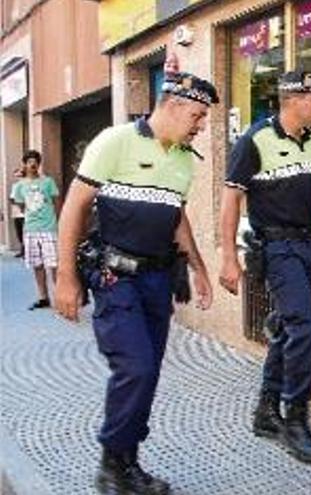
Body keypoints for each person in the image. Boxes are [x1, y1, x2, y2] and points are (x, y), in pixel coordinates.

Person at [54, 71, 218, 495]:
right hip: (115, 278)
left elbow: (176, 217)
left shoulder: (183, 159)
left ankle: (127, 463)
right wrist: (66, 277)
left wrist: (198, 267)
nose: (201, 126)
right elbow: (74, 206)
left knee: (148, 373)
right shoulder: (114, 142)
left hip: (157, 280)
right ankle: (112, 466)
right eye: (198, 116)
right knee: (136, 367)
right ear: (174, 104)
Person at [218, 69, 311, 464]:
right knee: (306, 328)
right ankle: (295, 418)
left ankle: (265, 411)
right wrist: (228, 258)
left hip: (307, 246)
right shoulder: (255, 140)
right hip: (276, 250)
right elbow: (229, 201)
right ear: (292, 100)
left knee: (287, 329)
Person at [11, 150, 61, 309]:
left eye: (35, 161)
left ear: (39, 164)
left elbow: (56, 203)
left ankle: (60, 298)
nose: (32, 164)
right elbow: (20, 204)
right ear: (24, 165)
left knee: (53, 265)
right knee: (37, 265)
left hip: (49, 228)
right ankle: (43, 298)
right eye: (29, 162)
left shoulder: (48, 182)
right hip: (31, 229)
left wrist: (58, 223)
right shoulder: (19, 185)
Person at [8, 164, 26, 257]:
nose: (16, 175)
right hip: (15, 212)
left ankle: (25, 251)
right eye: (15, 174)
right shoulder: (15, 185)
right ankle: (22, 250)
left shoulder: (26, 184)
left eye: (18, 173)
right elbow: (12, 198)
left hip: (24, 213)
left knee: (24, 232)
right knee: (19, 232)